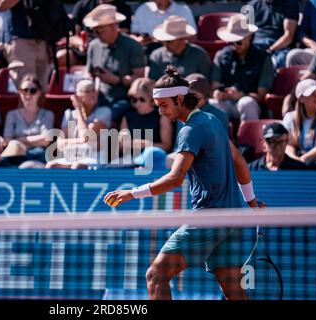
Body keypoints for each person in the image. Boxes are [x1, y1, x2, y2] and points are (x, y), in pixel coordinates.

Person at [104, 65, 263, 300]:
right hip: (232, 220)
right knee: (234, 291)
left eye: (164, 106)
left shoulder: (190, 130)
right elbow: (239, 161)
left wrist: (131, 193)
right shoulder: (212, 120)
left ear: (179, 99)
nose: (161, 112)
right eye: (158, 107)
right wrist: (251, 201)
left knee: (156, 275)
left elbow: (175, 178)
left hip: (208, 219)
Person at [84, 4, 146, 124]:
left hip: (124, 98)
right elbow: (88, 72)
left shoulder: (132, 46)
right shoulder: (94, 45)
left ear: (114, 27)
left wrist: (117, 80)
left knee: (102, 117)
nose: (96, 35)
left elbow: (140, 78)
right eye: (94, 31)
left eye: (100, 31)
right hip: (99, 96)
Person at [211, 14, 274, 123]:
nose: (235, 45)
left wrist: (240, 95)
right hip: (226, 102)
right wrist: (218, 93)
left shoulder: (264, 58)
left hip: (250, 104)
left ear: (249, 36)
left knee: (246, 103)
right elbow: (214, 85)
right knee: (213, 104)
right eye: (232, 41)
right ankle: (219, 140)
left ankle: (249, 139)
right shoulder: (221, 55)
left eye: (238, 41)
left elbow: (261, 96)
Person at [45, 79, 111, 169]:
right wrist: (84, 143)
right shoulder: (69, 114)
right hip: (72, 156)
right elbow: (60, 144)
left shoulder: (104, 112)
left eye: (93, 91)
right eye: (87, 91)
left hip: (95, 156)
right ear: (78, 96)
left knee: (77, 166)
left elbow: (86, 136)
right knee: (51, 166)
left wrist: (78, 110)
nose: (93, 94)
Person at [117, 77, 173, 169]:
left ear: (152, 99)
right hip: (131, 161)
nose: (137, 103)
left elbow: (166, 146)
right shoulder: (127, 117)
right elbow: (121, 149)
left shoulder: (162, 116)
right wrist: (122, 141)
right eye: (134, 99)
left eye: (142, 99)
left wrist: (144, 144)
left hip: (155, 161)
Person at [1, 75, 55, 166]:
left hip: (39, 155)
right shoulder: (11, 114)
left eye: (33, 91)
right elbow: (7, 140)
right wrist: (34, 141)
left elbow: (46, 140)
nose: (28, 94)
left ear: (39, 93)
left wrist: (18, 140)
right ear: (19, 92)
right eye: (24, 90)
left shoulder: (47, 114)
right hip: (15, 156)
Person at [148, 16, 211, 81]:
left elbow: (207, 83)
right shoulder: (157, 56)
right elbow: (152, 83)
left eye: (168, 41)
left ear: (182, 39)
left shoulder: (199, 55)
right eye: (163, 41)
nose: (165, 44)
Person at [283, 78, 316, 169]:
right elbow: (288, 144)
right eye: (311, 94)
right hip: (298, 158)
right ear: (301, 98)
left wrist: (305, 158)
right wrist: (295, 158)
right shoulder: (289, 118)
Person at [248, 0, 299, 69]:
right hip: (256, 45)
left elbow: (288, 36)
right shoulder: (252, 5)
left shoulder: (290, 4)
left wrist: (271, 49)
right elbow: (246, 33)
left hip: (280, 47)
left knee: (277, 62)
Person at [131, 0, 196, 52]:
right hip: (145, 49)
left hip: (177, 50)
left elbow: (192, 36)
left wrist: (172, 41)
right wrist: (138, 40)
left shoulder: (183, 10)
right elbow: (134, 33)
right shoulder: (143, 9)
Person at [286, 0, 316, 67]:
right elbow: (301, 32)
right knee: (293, 56)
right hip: (315, 50)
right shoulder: (313, 3)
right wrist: (313, 44)